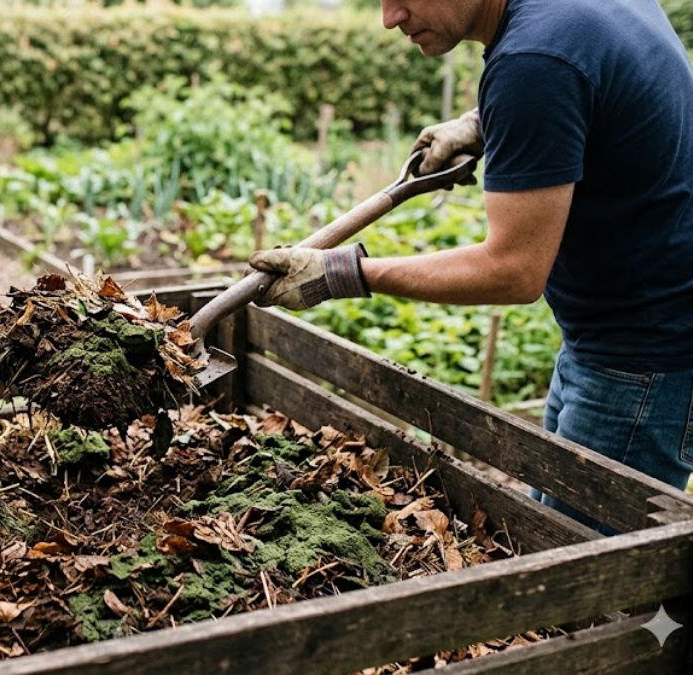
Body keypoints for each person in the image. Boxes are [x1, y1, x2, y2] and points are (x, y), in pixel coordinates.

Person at [248, 0, 693, 530]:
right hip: (621, 336)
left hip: (643, 358)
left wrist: (345, 273)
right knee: (545, 532)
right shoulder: (565, 20)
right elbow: (601, 85)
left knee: (575, 591)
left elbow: (514, 270)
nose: (390, 19)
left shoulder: (533, 60)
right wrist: (483, 122)